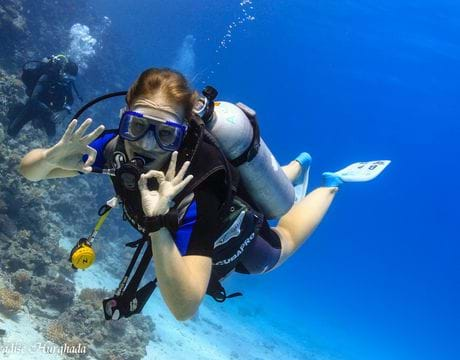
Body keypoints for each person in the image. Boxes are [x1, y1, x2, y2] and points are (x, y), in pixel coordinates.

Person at [18, 68, 385, 321]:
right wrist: (51, 157)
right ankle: (294, 165)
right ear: (124, 116)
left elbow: (184, 307)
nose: (145, 146)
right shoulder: (115, 146)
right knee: (263, 190)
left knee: (276, 249)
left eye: (164, 135)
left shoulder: (199, 189)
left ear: (183, 133)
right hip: (225, 187)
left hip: (234, 229)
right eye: (138, 126)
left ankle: (331, 183)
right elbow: (29, 172)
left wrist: (161, 225)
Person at [7, 54, 80, 139]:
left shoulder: (67, 83)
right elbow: (34, 97)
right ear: (61, 71)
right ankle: (16, 110)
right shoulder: (48, 76)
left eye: (71, 79)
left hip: (49, 112)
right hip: (33, 107)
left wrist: (65, 110)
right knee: (12, 131)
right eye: (67, 77)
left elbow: (70, 99)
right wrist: (47, 112)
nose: (67, 81)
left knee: (51, 135)